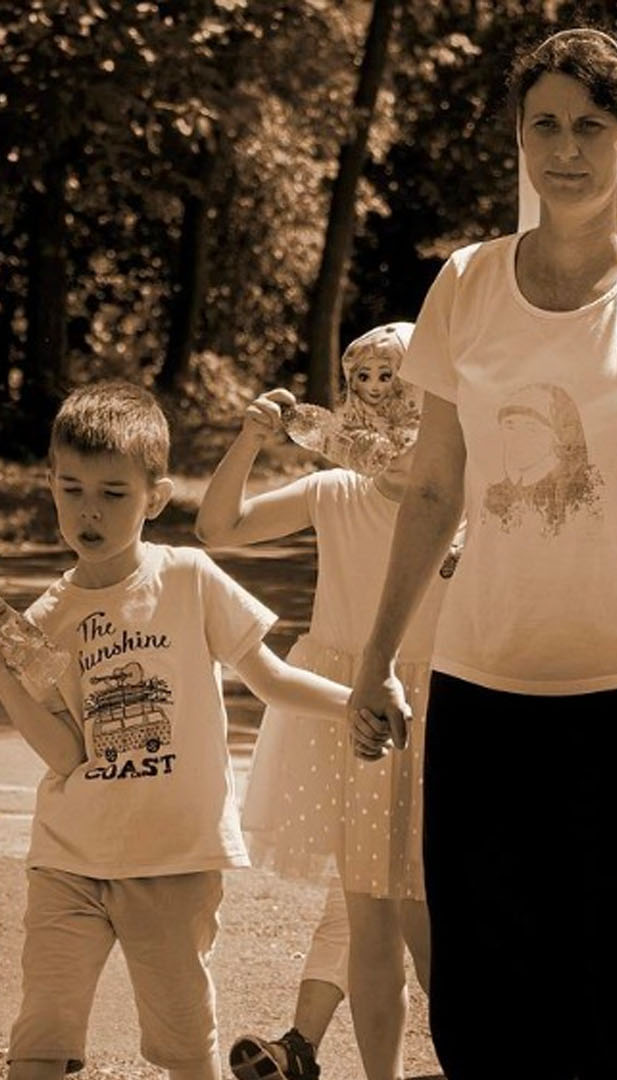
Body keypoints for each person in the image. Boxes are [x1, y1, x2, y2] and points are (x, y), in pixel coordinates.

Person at [343, 28, 617, 1079]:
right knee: (493, 986)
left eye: (592, 125)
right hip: (489, 680)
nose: (567, 148)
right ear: (518, 139)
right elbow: (436, 485)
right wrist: (377, 660)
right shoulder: (466, 284)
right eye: (545, 124)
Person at [0, 381, 354, 1080]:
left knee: (185, 1048)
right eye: (71, 491)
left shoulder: (189, 577)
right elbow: (66, 751)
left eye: (113, 493)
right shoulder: (48, 616)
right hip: (69, 858)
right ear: (51, 486)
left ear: (154, 498)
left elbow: (274, 680)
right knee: (40, 1037)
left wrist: (360, 702)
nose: (88, 511)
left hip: (173, 861)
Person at [200, 325, 446, 1080]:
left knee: (434, 916)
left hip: (445, 707)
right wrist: (250, 438)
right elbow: (218, 528)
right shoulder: (334, 491)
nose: (381, 411)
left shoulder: (462, 499)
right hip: (356, 706)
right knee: (371, 910)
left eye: (398, 389)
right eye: (364, 387)